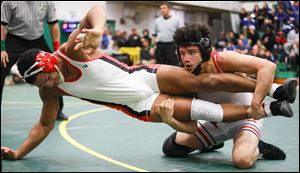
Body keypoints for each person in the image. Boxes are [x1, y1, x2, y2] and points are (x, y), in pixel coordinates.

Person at [0, 5, 296, 161]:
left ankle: (273, 90)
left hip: (141, 75)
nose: (49, 84)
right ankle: (272, 110)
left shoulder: (71, 51)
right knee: (204, 110)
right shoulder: (49, 90)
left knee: (204, 80)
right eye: (41, 83)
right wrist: (19, 153)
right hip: (140, 104)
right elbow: (44, 125)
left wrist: (98, 30)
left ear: (49, 63)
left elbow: (95, 9)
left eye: (46, 77)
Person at [159, 24, 296, 169]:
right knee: (171, 148)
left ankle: (258, 148)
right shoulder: (185, 78)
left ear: (205, 51)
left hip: (246, 118)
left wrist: (255, 104)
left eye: (191, 52)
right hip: (216, 123)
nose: (186, 59)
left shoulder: (222, 60)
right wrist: (170, 120)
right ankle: (213, 143)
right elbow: (191, 126)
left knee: (242, 160)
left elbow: (268, 67)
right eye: (182, 53)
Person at [1, 1, 67, 120]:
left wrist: (57, 51)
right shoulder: (9, 2)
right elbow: (2, 26)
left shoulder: (47, 2)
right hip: (15, 39)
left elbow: (53, 25)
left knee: (53, 69)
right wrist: (1, 49)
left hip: (37, 39)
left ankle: (58, 110)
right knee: (2, 65)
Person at [153, 2, 180, 66]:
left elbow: (179, 35)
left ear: (169, 9)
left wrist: (179, 46)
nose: (162, 10)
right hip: (159, 46)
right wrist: (152, 47)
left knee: (172, 65)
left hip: (171, 46)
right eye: (161, 8)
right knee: (159, 65)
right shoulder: (157, 20)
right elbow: (154, 35)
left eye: (164, 8)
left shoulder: (176, 20)